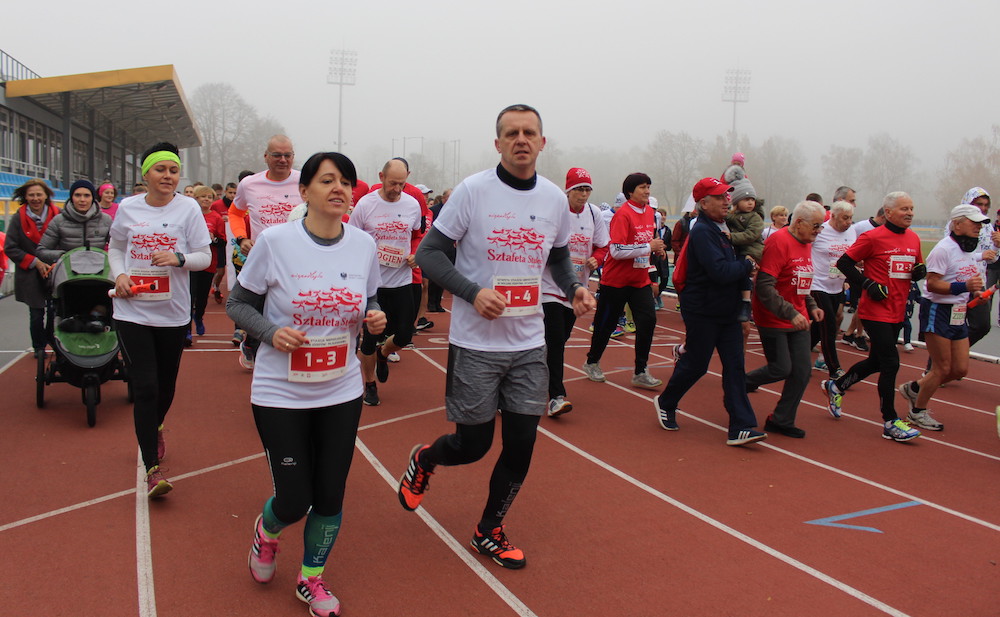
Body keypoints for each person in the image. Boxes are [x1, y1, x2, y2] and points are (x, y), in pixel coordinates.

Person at [396, 104, 595, 569]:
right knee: (473, 445)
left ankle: (489, 529)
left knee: (522, 445)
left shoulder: (554, 199)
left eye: (529, 132)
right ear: (498, 143)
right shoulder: (473, 191)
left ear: (542, 142)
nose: (521, 139)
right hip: (476, 344)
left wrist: (574, 287)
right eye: (511, 133)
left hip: (529, 343)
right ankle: (426, 459)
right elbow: (429, 254)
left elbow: (558, 257)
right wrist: (472, 292)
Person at [227, 152, 385, 617]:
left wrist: (376, 317)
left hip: (341, 389)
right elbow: (238, 303)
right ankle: (268, 531)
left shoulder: (364, 245)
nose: (339, 189)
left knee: (331, 493)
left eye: (346, 182)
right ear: (304, 191)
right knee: (295, 499)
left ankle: (310, 578)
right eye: (327, 180)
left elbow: (371, 298)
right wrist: (270, 332)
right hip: (281, 391)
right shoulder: (276, 241)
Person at [109, 142, 212, 496]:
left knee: (165, 386)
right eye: (160, 170)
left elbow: (204, 257)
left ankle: (155, 426)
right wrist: (120, 275)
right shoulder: (128, 208)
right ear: (146, 174)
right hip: (132, 311)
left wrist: (179, 258)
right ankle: (152, 467)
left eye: (173, 170)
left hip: (171, 313)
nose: (168, 176)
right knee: (146, 387)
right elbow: (116, 248)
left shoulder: (188, 209)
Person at [655, 177, 766, 446]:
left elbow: (730, 268)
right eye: (719, 197)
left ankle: (741, 426)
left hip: (727, 311)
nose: (726, 201)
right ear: (703, 203)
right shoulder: (703, 232)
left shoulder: (723, 228)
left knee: (735, 367)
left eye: (727, 196)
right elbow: (720, 271)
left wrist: (743, 292)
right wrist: (747, 265)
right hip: (703, 310)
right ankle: (667, 401)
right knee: (696, 364)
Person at [821, 191, 925, 442]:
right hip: (875, 311)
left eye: (911, 208)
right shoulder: (873, 237)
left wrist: (919, 271)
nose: (910, 213)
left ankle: (837, 385)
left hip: (898, 310)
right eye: (904, 209)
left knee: (877, 362)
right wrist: (867, 284)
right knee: (891, 362)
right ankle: (890, 421)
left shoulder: (913, 238)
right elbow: (844, 263)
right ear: (888, 212)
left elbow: (916, 266)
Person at [897, 205, 993, 431]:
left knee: (959, 370)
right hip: (937, 311)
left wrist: (975, 294)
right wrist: (964, 287)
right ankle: (917, 412)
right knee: (941, 368)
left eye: (980, 224)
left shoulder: (969, 250)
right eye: (974, 222)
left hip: (958, 312)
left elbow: (966, 281)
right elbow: (932, 284)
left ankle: (915, 388)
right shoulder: (943, 249)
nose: (978, 227)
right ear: (957, 224)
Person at [745, 201, 825, 438]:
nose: (819, 231)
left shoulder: (806, 243)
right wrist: (791, 313)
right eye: (816, 226)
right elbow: (764, 287)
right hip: (773, 317)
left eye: (821, 226)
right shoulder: (779, 242)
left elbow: (800, 282)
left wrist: (811, 306)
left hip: (799, 317)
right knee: (780, 368)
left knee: (801, 371)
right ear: (799, 223)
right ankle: (739, 384)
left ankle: (781, 419)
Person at [347, 159, 423, 406]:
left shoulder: (412, 204)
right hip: (373, 286)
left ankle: (384, 353)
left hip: (401, 281)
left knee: (404, 335)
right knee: (369, 338)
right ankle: (370, 385)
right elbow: (351, 238)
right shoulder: (365, 205)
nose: (397, 189)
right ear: (381, 177)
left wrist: (415, 253)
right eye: (392, 183)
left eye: (402, 184)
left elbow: (417, 235)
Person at [581, 172, 665, 389]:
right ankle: (592, 361)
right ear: (630, 191)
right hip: (615, 281)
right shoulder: (623, 214)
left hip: (639, 281)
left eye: (648, 187)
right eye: (642, 187)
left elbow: (648, 242)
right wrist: (648, 247)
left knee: (648, 321)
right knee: (605, 325)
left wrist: (656, 252)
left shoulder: (650, 213)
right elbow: (616, 251)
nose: (647, 191)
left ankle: (640, 371)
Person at [228, 135, 300, 369]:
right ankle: (251, 343)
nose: (282, 160)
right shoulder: (249, 184)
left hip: (296, 261)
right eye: (277, 155)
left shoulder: (304, 181)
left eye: (287, 155)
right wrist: (241, 238)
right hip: (261, 260)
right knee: (254, 308)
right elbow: (235, 212)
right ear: (266, 156)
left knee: (289, 309)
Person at [543, 168, 609, 416]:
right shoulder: (555, 211)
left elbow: (603, 245)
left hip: (576, 288)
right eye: (579, 189)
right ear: (568, 191)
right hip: (549, 286)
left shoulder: (594, 214)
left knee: (560, 339)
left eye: (587, 189)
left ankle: (531, 375)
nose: (583, 194)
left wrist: (596, 259)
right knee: (555, 341)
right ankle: (556, 396)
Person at [4, 179, 59, 355]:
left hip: (54, 269)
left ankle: (53, 341)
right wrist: (35, 262)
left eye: (39, 194)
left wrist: (54, 261)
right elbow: (10, 247)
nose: (35, 198)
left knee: (55, 311)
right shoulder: (17, 218)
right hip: (30, 272)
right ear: (25, 197)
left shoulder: (58, 215)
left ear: (46, 196)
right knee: (36, 314)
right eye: (31, 195)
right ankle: (39, 347)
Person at [808, 200, 856, 378]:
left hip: (837, 285)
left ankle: (797, 356)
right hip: (817, 284)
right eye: (845, 218)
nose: (848, 222)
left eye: (850, 218)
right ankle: (834, 369)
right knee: (829, 326)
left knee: (817, 328)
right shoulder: (820, 230)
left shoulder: (851, 231)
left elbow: (852, 255)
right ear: (833, 216)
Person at [36, 180, 112, 264]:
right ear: (71, 197)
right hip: (68, 269)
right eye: (77, 195)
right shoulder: (58, 221)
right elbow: (41, 251)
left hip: (98, 269)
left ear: (93, 198)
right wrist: (62, 256)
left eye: (87, 195)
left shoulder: (106, 220)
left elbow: (118, 247)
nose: (82, 199)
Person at [723, 166, 763, 322]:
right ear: (737, 201)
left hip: (752, 250)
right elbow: (728, 218)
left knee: (744, 269)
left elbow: (751, 235)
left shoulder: (755, 217)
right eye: (746, 200)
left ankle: (746, 302)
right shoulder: (734, 215)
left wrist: (732, 237)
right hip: (741, 249)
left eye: (752, 200)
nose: (750, 203)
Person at [189, 185, 227, 340]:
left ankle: (198, 317)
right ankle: (186, 329)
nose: (206, 199)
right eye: (203, 196)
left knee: (202, 296)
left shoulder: (216, 218)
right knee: (189, 295)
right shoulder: (190, 216)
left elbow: (223, 242)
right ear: (196, 199)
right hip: (190, 261)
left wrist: (214, 239)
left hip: (208, 262)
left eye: (209, 197)